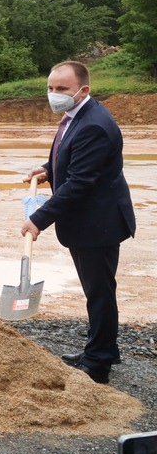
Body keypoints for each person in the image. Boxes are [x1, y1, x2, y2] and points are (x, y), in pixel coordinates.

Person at [22, 61, 136, 384]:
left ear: (83, 90)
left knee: (99, 292)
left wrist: (38, 220)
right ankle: (103, 348)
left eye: (62, 90)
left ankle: (98, 362)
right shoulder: (78, 116)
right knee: (97, 289)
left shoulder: (94, 125)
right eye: (50, 88)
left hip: (98, 222)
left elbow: (79, 182)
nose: (54, 95)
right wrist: (47, 169)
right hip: (89, 220)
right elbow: (69, 155)